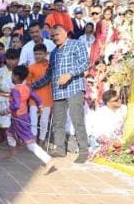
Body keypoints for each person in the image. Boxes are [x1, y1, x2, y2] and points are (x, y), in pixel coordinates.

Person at [31, 25, 90, 163]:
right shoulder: (53, 53)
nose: (54, 38)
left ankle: (83, 151)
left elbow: (85, 63)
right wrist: (31, 86)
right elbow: (48, 75)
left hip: (74, 88)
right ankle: (60, 149)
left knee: (77, 120)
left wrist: (69, 74)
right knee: (58, 122)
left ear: (65, 33)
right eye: (52, 36)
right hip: (58, 92)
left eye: (56, 34)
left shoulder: (76, 44)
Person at [7, 64, 54, 171]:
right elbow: (37, 98)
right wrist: (40, 106)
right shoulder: (27, 88)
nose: (12, 77)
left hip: (19, 118)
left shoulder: (15, 90)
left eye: (13, 75)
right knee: (10, 133)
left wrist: (5, 111)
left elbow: (16, 105)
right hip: (22, 117)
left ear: (16, 77)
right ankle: (12, 152)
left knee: (30, 144)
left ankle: (48, 160)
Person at [26, 43, 52, 145]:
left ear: (46, 54)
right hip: (34, 99)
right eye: (35, 54)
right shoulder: (31, 67)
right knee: (33, 120)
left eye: (40, 54)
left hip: (47, 98)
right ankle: (33, 140)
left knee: (44, 121)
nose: (37, 56)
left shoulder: (51, 66)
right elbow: (28, 83)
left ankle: (41, 140)